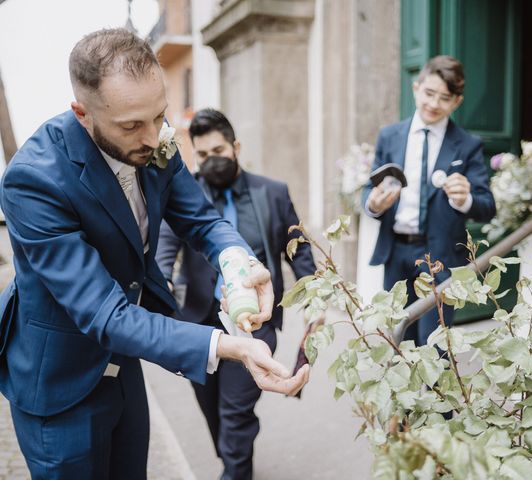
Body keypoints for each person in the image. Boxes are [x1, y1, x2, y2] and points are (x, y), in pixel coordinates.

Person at [0, 28, 308, 479]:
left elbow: (201, 220)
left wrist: (241, 264)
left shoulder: (155, 138)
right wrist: (226, 346)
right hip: (59, 384)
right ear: (82, 114)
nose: (152, 137)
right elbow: (104, 313)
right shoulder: (34, 180)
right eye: (131, 126)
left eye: (158, 117)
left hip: (124, 371)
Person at [156, 108, 317, 480]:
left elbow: (300, 249)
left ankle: (235, 471)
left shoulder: (272, 193)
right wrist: (161, 284)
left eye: (219, 151)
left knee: (236, 411)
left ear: (236, 147)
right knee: (211, 409)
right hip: (199, 322)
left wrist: (314, 298)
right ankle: (232, 459)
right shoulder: (187, 192)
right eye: (203, 155)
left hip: (255, 322)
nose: (212, 161)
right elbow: (166, 245)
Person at [362, 55, 496, 346]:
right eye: (429, 93)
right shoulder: (389, 136)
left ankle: (435, 394)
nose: (434, 104)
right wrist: (374, 204)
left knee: (435, 346)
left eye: (444, 98)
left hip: (441, 258)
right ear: (416, 88)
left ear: (457, 102)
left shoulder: (468, 145)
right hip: (396, 253)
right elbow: (368, 190)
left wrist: (465, 199)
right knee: (398, 340)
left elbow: (487, 207)